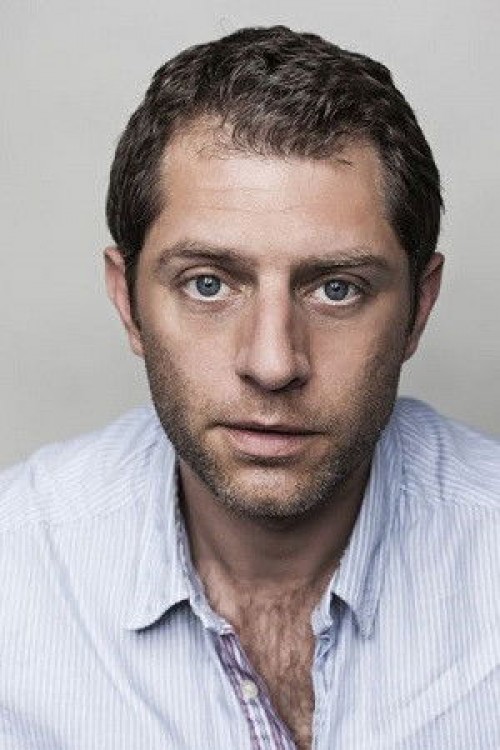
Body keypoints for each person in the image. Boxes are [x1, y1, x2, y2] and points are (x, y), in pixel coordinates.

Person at [1, 25, 498, 750]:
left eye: (336, 288)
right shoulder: (14, 570)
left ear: (418, 309)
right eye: (208, 284)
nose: (272, 363)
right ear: (128, 302)